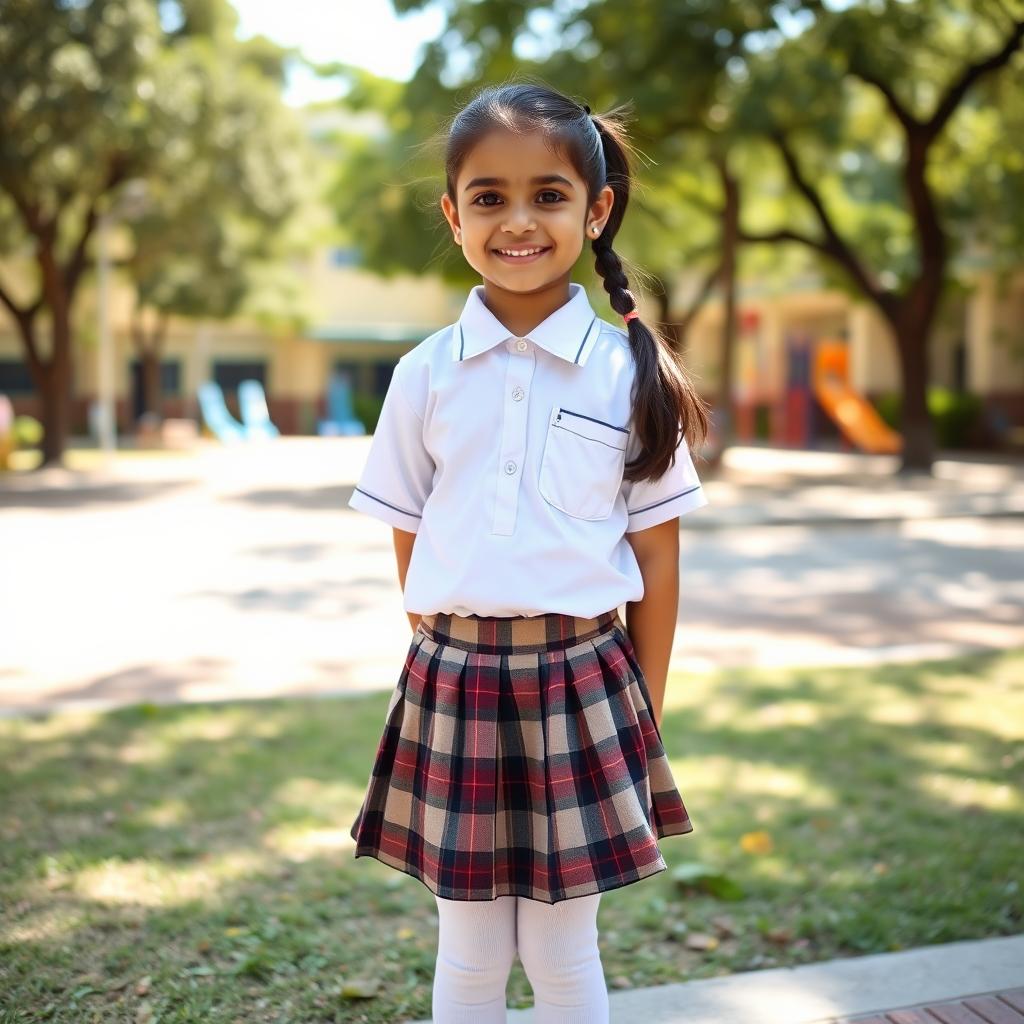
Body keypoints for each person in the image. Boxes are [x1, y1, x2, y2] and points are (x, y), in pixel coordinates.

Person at [347, 79, 711, 1024]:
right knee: (467, 950)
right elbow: (409, 528)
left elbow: (659, 561)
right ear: (453, 213)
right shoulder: (422, 372)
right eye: (489, 196)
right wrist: (442, 648)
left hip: (588, 683)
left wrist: (646, 712)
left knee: (561, 947)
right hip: (456, 681)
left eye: (549, 195)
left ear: (597, 211)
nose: (518, 220)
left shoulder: (630, 370)